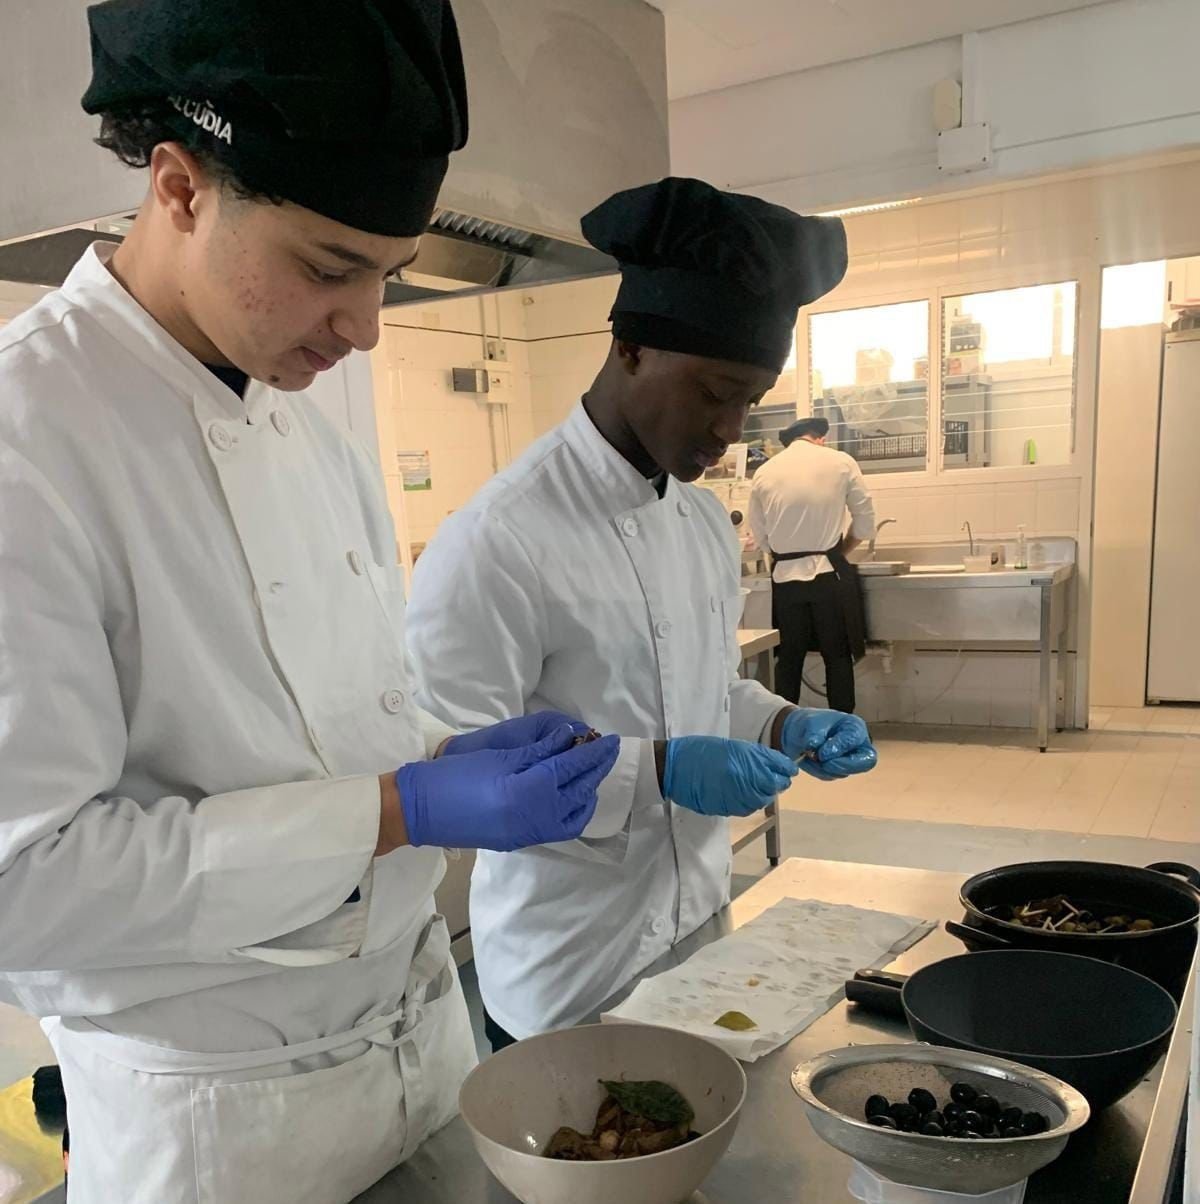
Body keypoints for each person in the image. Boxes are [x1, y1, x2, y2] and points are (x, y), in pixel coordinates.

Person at [0, 3, 620, 1201]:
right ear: (178, 187)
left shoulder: (310, 433)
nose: (366, 326)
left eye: (389, 274)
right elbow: (23, 888)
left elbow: (308, 730)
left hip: (425, 1065)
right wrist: (393, 810)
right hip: (220, 1133)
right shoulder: (28, 441)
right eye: (329, 268)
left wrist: (432, 756)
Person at [406, 177, 879, 1051]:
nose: (730, 428)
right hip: (569, 974)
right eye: (714, 391)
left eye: (751, 400)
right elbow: (454, 769)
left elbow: (704, 692)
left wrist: (781, 723)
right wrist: (657, 771)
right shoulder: (500, 539)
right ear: (629, 348)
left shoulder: (699, 522)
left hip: (701, 943)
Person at [748, 415, 877, 712]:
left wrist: (782, 553)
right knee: (837, 656)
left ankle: (784, 728)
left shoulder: (765, 472)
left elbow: (760, 534)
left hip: (784, 579)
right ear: (819, 438)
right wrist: (840, 551)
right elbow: (865, 521)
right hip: (828, 575)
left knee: (789, 659)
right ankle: (842, 728)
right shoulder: (840, 461)